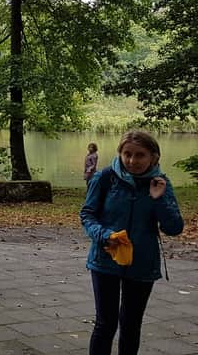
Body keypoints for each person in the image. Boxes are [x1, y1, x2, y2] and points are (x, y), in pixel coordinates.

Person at [80, 130, 183, 355]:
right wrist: (104, 234)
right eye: (127, 154)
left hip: (142, 264)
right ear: (120, 153)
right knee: (105, 324)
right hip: (105, 260)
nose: (132, 161)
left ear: (154, 157)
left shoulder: (160, 184)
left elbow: (174, 228)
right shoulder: (105, 178)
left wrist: (159, 199)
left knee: (131, 325)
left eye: (140, 155)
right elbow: (87, 215)